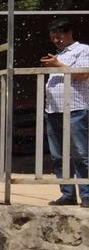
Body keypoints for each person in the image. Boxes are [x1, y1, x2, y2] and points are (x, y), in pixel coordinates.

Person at [40, 16, 89, 205]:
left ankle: (86, 195)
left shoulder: (82, 50)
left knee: (80, 153)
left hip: (76, 109)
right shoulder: (58, 56)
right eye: (53, 37)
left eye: (59, 36)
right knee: (59, 155)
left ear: (69, 33)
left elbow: (84, 74)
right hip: (54, 110)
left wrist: (57, 65)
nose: (56, 40)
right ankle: (67, 194)